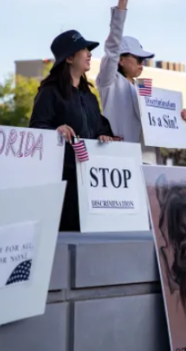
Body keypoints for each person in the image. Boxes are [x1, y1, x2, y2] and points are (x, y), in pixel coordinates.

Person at [95, 0, 186, 165]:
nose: (142, 63)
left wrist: (177, 119)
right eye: (138, 58)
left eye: (144, 60)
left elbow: (157, 124)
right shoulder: (109, 81)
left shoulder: (143, 88)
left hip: (150, 161)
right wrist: (121, 7)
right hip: (122, 159)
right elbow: (112, 48)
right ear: (121, 60)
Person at [29, 27, 114, 232]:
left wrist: (104, 136)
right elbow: (35, 130)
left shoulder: (89, 96)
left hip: (92, 185)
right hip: (63, 187)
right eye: (83, 49)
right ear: (68, 58)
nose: (89, 53)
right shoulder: (49, 93)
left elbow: (101, 127)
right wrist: (55, 130)